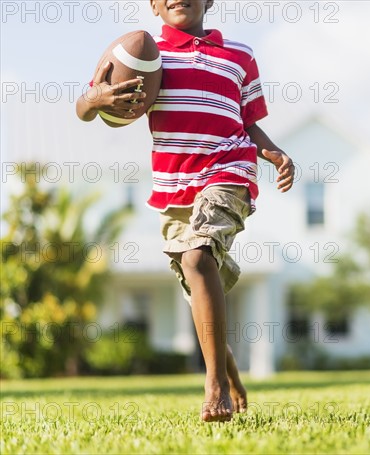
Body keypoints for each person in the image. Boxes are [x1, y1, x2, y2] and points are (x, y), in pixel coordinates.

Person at [76, 0, 294, 422]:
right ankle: (229, 375)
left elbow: (248, 120)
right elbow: (86, 111)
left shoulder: (241, 56)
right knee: (198, 288)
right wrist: (94, 98)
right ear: (154, 5)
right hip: (174, 189)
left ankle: (213, 388)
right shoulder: (146, 59)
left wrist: (274, 152)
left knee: (198, 257)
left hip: (229, 171)